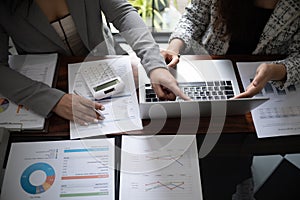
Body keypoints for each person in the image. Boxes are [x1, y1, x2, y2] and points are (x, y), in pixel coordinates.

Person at [0, 0, 189, 125]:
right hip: (46, 86)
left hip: (106, 67)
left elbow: (123, 14)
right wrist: (53, 101)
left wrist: (154, 65)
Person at [162, 0, 300, 98]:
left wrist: (276, 70)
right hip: (209, 72)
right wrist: (174, 49)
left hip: (267, 89)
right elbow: (193, 18)